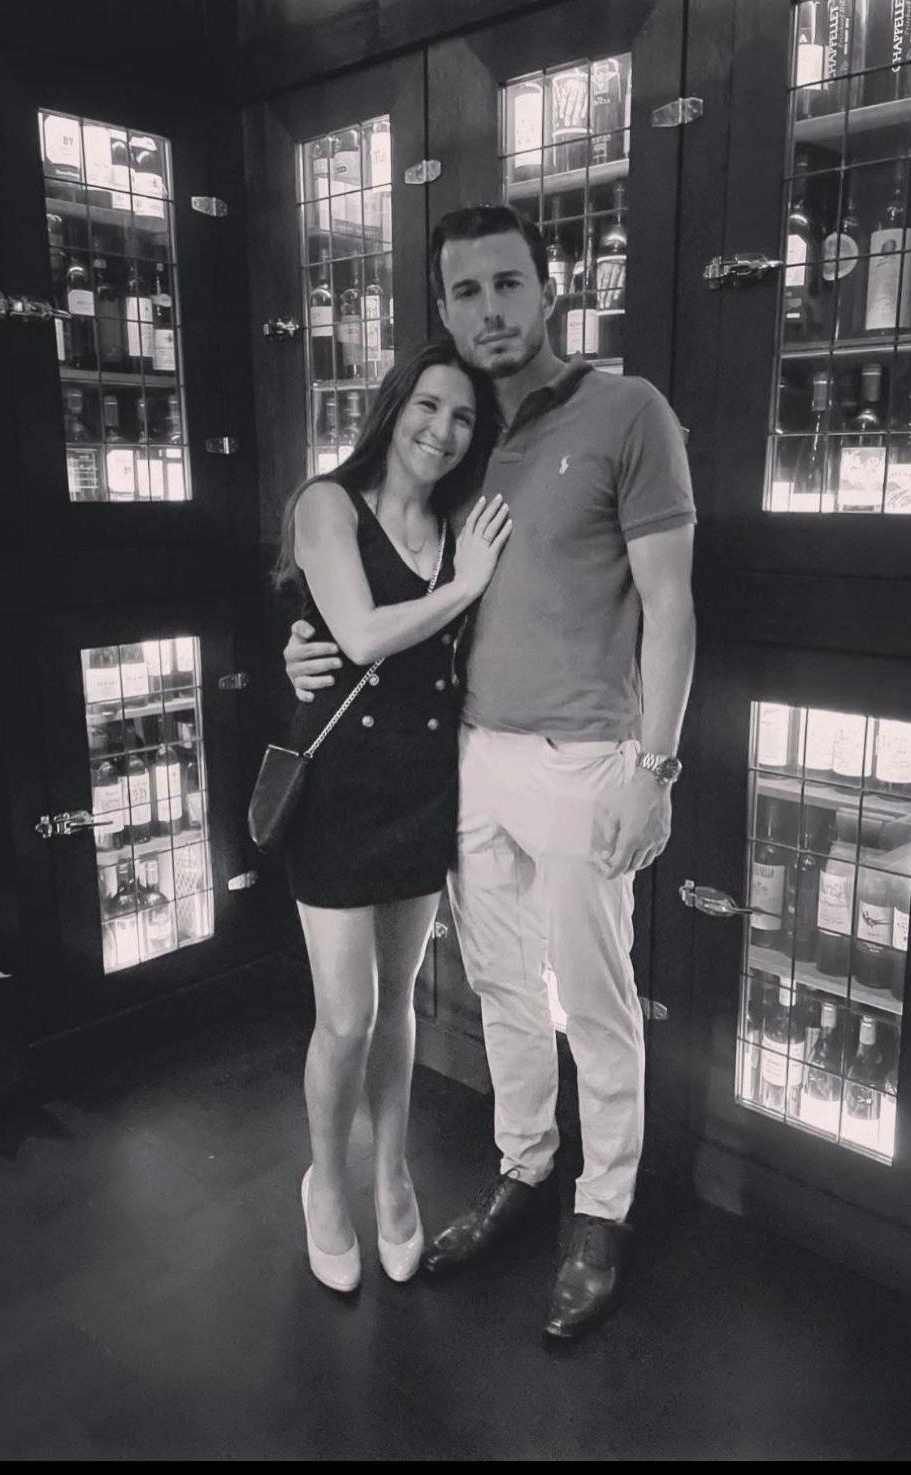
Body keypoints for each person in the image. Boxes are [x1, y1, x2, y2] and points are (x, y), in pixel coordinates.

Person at [283, 204, 696, 1339]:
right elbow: (382, 582)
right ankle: (524, 1167)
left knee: (595, 1000)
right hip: (460, 758)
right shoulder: (461, 444)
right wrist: (305, 644)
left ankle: (599, 1212)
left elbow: (669, 604)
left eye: (508, 283)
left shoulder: (628, 412)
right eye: (465, 292)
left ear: (546, 288)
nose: (490, 309)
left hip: (583, 756)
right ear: (442, 310)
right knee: (504, 989)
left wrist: (655, 767)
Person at [274, 338, 513, 1293]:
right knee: (346, 1016)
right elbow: (364, 633)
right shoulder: (325, 504)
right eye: (427, 406)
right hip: (338, 792)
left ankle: (391, 1173)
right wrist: (464, 586)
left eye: (462, 417)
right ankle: (324, 1184)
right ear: (393, 405)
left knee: (397, 1004)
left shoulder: (462, 523)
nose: (441, 431)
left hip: (421, 785)